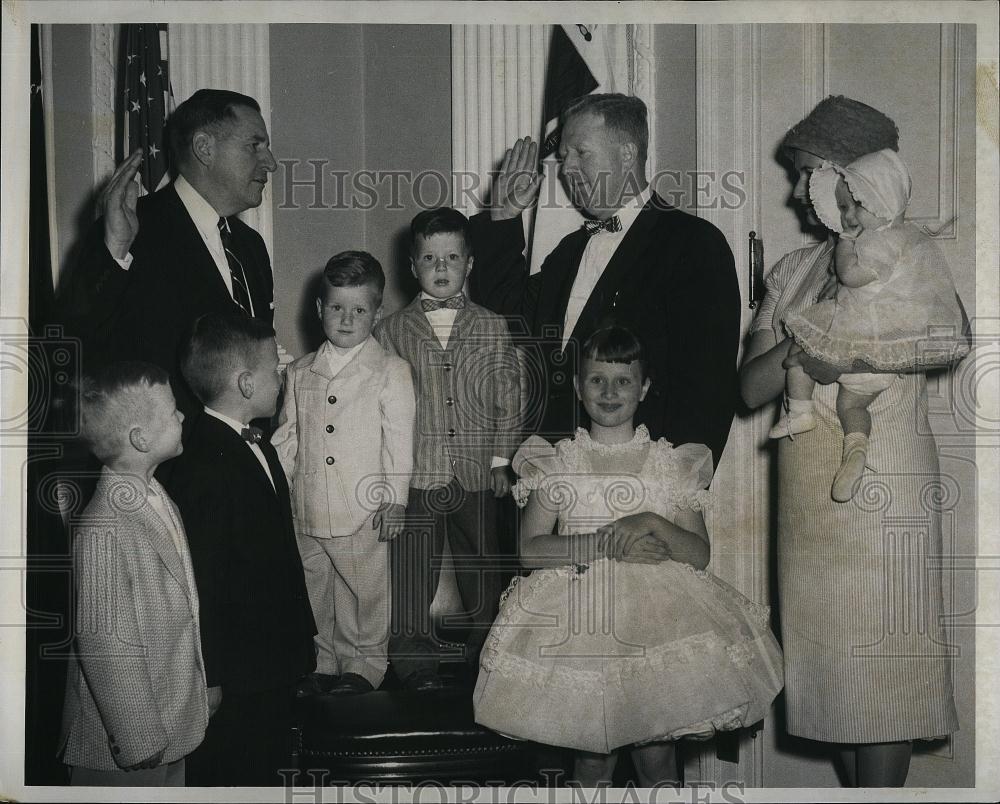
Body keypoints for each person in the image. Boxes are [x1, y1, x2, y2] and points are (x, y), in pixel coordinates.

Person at [740, 95, 963, 787]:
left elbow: (944, 342)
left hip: (885, 479)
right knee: (832, 678)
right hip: (809, 490)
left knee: (886, 678)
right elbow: (748, 389)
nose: (797, 191)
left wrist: (852, 319)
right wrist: (814, 333)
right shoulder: (793, 271)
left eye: (807, 172)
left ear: (850, 176)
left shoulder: (906, 253)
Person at [473, 327, 783, 786]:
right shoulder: (557, 461)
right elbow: (530, 549)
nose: (610, 392)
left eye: (623, 381)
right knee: (592, 760)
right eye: (597, 380)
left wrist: (651, 523)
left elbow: (698, 553)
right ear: (579, 388)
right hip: (580, 626)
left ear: (644, 387)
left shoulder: (670, 463)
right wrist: (605, 542)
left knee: (657, 758)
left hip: (654, 624)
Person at [469, 93, 739, 469]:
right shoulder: (569, 251)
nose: (567, 170)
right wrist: (503, 215)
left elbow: (707, 387)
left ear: (627, 155)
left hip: (642, 483)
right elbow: (509, 315)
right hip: (558, 478)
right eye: (563, 158)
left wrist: (672, 494)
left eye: (581, 152)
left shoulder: (692, 242)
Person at [162, 312, 316, 786]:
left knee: (268, 766)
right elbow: (202, 580)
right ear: (247, 384)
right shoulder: (202, 467)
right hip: (240, 671)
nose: (284, 374)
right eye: (276, 366)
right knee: (235, 774)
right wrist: (211, 675)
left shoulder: (262, 445)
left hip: (275, 658)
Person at [374, 207, 521, 691]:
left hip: (476, 471)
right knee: (412, 569)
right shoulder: (391, 331)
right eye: (430, 258)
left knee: (483, 564)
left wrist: (502, 461)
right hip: (416, 473)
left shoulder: (491, 326)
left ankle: (488, 657)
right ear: (412, 266)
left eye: (452, 257)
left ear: (470, 264)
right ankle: (413, 663)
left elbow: (507, 395)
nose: (441, 268)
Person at [64, 88, 278, 418]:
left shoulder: (251, 247)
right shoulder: (131, 228)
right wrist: (115, 250)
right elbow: (75, 339)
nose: (271, 163)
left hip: (239, 458)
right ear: (205, 148)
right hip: (166, 460)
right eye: (255, 146)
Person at [769, 148, 969, 501]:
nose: (847, 217)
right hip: (814, 458)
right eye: (843, 207)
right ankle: (855, 448)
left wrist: (845, 247)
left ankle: (801, 412)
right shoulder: (793, 267)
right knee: (850, 403)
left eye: (854, 206)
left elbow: (850, 274)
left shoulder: (886, 242)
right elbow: (750, 388)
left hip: (869, 358)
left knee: (804, 363)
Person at [57, 362, 208, 786]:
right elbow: (105, 643)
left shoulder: (155, 495)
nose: (181, 416)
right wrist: (137, 735)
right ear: (140, 438)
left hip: (170, 719)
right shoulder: (104, 529)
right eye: (173, 409)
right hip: (121, 743)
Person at [273, 251, 416, 697]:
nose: (347, 319)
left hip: (363, 508)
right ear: (319, 310)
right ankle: (322, 662)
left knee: (363, 592)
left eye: (359, 310)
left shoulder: (390, 372)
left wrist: (395, 498)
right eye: (337, 307)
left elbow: (399, 439)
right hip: (308, 506)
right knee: (314, 587)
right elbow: (287, 438)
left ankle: (365, 664)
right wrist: (280, 492)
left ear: (377, 313)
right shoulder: (299, 373)